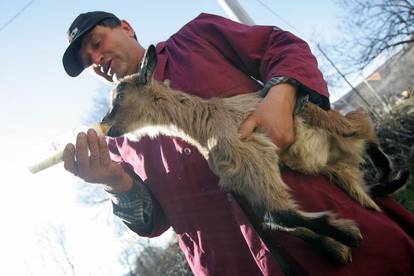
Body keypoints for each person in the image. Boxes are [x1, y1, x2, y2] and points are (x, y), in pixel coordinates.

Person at [62, 11, 414, 275]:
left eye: (96, 44)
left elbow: (283, 47)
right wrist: (114, 182)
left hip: (330, 221)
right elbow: (153, 220)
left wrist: (281, 94)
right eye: (87, 63)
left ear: (125, 27)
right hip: (238, 264)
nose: (96, 59)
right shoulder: (122, 140)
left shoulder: (197, 38)